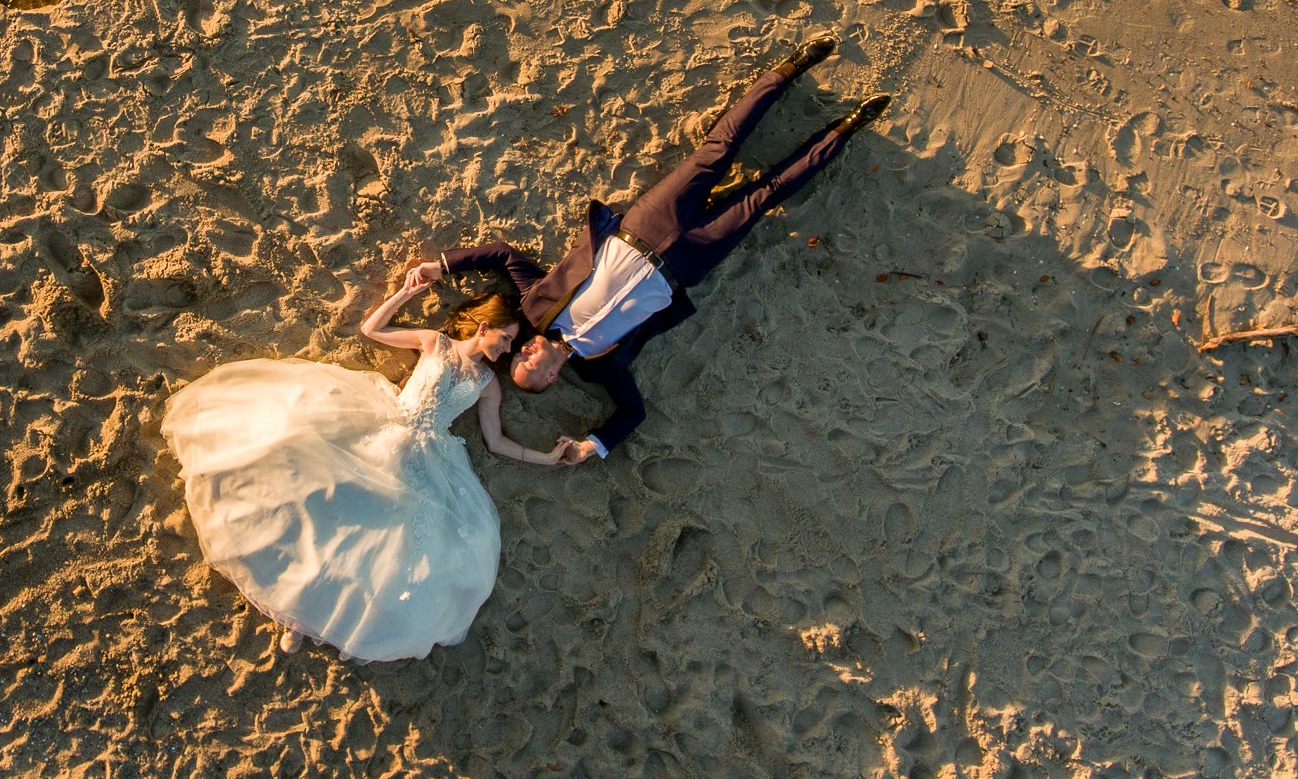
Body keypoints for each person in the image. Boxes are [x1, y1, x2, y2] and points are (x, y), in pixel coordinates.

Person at [412, 35, 888, 462]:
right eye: (526, 365)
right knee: (765, 196)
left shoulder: (535, 307)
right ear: (551, 377)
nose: (524, 352)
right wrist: (593, 444)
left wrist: (443, 265)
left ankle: (790, 69)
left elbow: (503, 254)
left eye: (517, 356)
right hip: (687, 261)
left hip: (643, 226)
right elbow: (633, 413)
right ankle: (845, 129)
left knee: (716, 151)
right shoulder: (606, 370)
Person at [164, 275, 567, 660]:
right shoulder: (435, 343)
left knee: (380, 540)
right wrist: (407, 292)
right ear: (484, 326)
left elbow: (495, 442)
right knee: (329, 505)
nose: (508, 348)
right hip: (386, 423)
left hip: (429, 453)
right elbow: (373, 328)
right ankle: (296, 610)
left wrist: (546, 458)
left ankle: (308, 619)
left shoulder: (486, 383)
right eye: (506, 338)